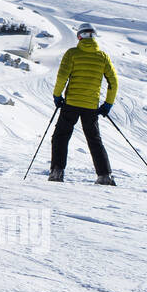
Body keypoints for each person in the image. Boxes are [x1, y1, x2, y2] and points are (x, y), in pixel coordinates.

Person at [49, 22, 119, 185]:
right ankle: (104, 176)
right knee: (94, 140)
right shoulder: (102, 57)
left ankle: (57, 172)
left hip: (71, 104)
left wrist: (57, 96)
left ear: (79, 36)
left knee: (60, 137)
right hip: (91, 106)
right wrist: (108, 104)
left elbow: (62, 77)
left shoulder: (72, 53)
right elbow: (113, 82)